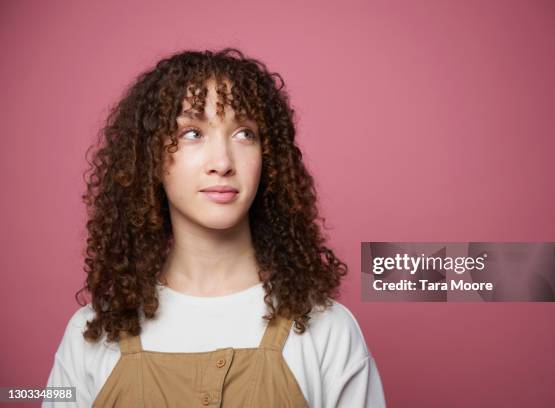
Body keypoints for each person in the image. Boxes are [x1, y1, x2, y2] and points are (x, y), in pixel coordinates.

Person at [44, 48, 387, 407]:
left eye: (244, 134)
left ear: (268, 159)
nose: (222, 162)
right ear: (150, 158)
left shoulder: (328, 331)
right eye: (192, 133)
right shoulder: (91, 336)